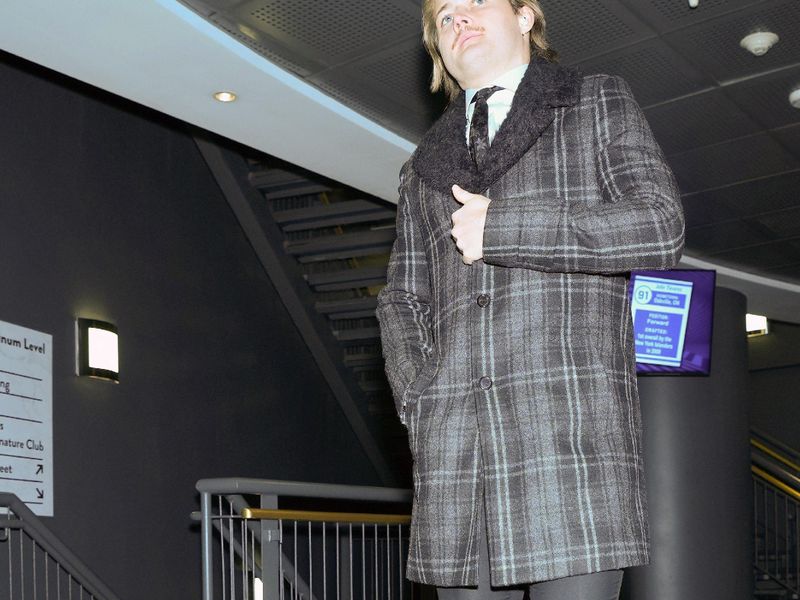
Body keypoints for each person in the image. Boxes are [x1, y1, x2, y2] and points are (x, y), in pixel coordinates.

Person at [376, 0, 685, 597]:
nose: (458, 17)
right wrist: (420, 400)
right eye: (443, 17)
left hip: (569, 445)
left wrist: (506, 228)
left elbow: (660, 226)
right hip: (456, 455)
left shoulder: (596, 100)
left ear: (525, 17)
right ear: (439, 54)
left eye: (474, 2)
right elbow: (401, 299)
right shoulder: (421, 168)